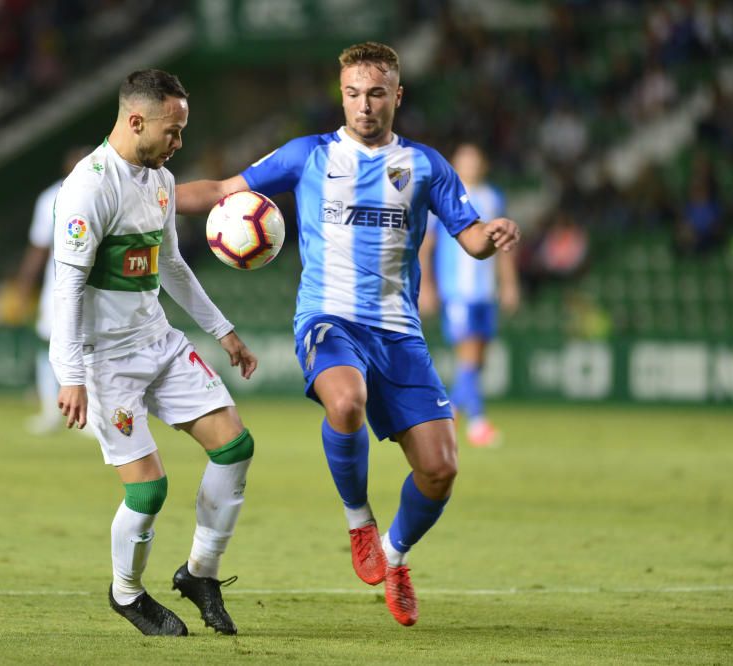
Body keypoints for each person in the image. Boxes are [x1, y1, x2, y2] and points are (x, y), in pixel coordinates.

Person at [176, 42, 521, 627]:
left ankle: (394, 556)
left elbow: (470, 238)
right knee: (346, 400)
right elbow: (220, 190)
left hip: (399, 333)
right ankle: (360, 522)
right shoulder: (309, 155)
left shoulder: (427, 166)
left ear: (397, 96)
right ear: (343, 94)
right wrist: (145, 197)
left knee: (441, 469)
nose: (364, 106)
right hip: (328, 319)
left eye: (377, 93)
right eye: (353, 94)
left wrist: (496, 233)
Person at [51, 69, 258, 637]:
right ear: (135, 121)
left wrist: (222, 330)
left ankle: (200, 574)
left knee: (235, 446)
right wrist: (70, 376)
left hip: (159, 341)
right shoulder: (89, 187)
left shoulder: (160, 180)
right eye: (173, 131)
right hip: (105, 359)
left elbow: (170, 265)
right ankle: (127, 592)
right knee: (149, 489)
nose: (179, 143)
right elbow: (66, 290)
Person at [418, 143, 519, 447]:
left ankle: (449, 415)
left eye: (475, 159)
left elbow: (503, 247)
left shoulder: (493, 198)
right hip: (457, 289)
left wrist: (510, 284)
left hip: (485, 291)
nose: (471, 164)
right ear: (455, 164)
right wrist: (427, 286)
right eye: (465, 159)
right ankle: (477, 424)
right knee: (470, 355)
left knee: (477, 361)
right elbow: (427, 245)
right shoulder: (443, 195)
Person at [14, 146, 91, 435]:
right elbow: (38, 247)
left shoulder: (108, 195)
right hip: (57, 284)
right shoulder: (50, 199)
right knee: (50, 343)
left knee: (89, 346)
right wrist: (23, 285)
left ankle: (90, 414)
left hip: (95, 286)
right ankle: (49, 409)